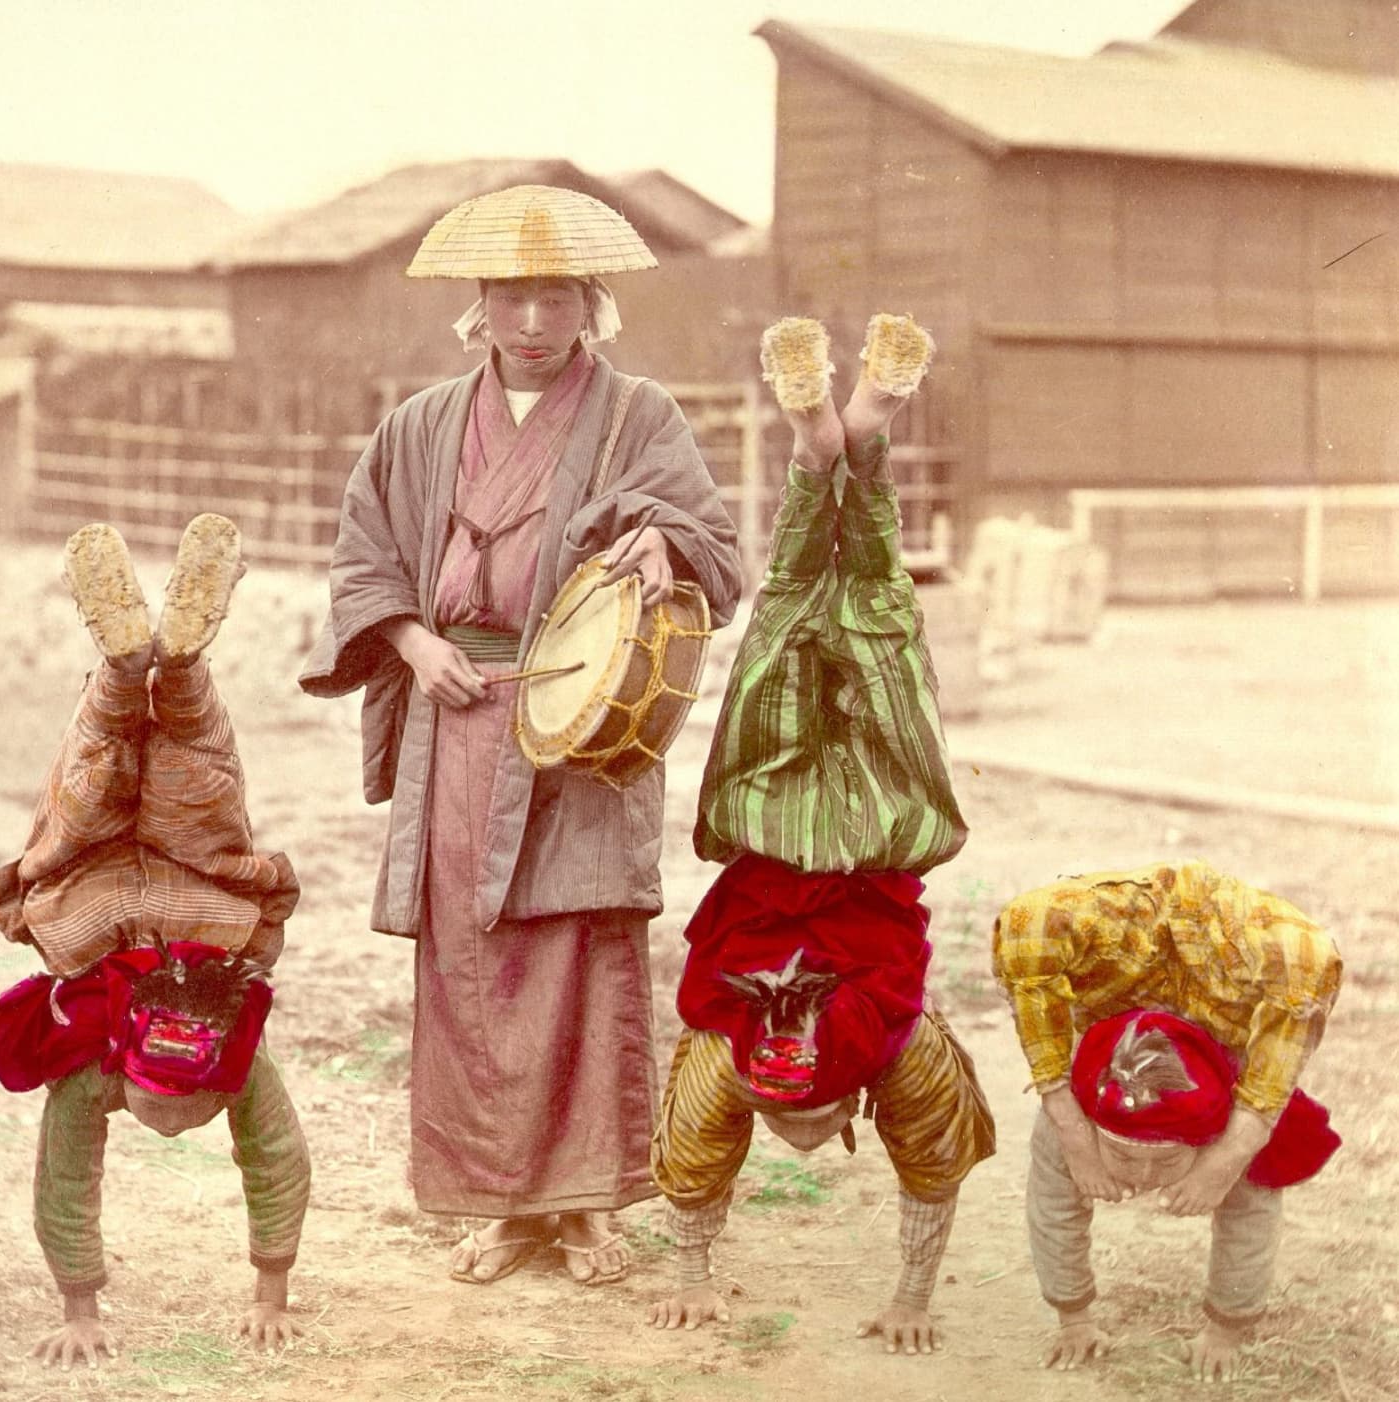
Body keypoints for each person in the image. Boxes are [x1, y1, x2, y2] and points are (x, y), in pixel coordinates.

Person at [299, 183, 744, 1287]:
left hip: (581, 729)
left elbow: (713, 542)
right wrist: (408, 640)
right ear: (479, 306)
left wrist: (660, 545)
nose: (534, 324)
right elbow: (365, 556)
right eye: (512, 298)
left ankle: (586, 1203)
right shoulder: (418, 427)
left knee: (581, 956)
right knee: (473, 962)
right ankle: (498, 1205)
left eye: (556, 299)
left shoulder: (641, 415)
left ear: (591, 304)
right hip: (456, 722)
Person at [649, 315, 991, 1353]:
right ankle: (833, 442)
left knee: (879, 615)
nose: (799, 1132)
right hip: (789, 819)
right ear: (846, 1111)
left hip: (853, 817)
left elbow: (691, 1167)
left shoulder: (750, 1059)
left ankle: (846, 435)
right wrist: (911, 1298)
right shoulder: (880, 1054)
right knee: (803, 609)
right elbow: (934, 1162)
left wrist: (698, 1274)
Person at [0, 517, 308, 1361]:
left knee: (196, 777)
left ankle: (157, 672)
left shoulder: (111, 1062)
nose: (164, 1129)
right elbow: (276, 1164)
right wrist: (271, 1290)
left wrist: (80, 1309)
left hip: (198, 896)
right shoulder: (221, 1065)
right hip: (95, 900)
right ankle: (146, 675)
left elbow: (65, 1184)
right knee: (86, 788)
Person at [991, 861, 1343, 1382]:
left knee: (1259, 1153)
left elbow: (1250, 1207)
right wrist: (1073, 1317)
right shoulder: (1072, 1120)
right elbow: (1052, 1209)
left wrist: (1226, 1327)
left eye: (1163, 1164)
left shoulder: (1232, 1123)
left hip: (1236, 980)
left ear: (1203, 1143)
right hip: (1125, 962)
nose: (1140, 1183)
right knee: (1032, 926)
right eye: (1128, 1159)